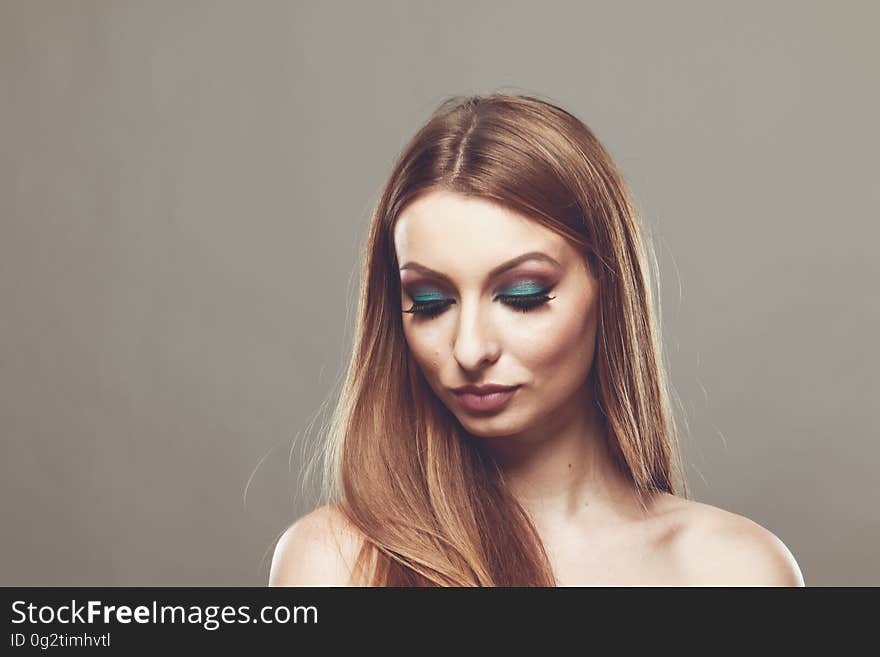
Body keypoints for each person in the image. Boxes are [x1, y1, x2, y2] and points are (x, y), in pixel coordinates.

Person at [269, 93, 805, 586]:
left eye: (521, 295)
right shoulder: (335, 563)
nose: (470, 349)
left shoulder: (734, 571)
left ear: (608, 288)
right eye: (431, 303)